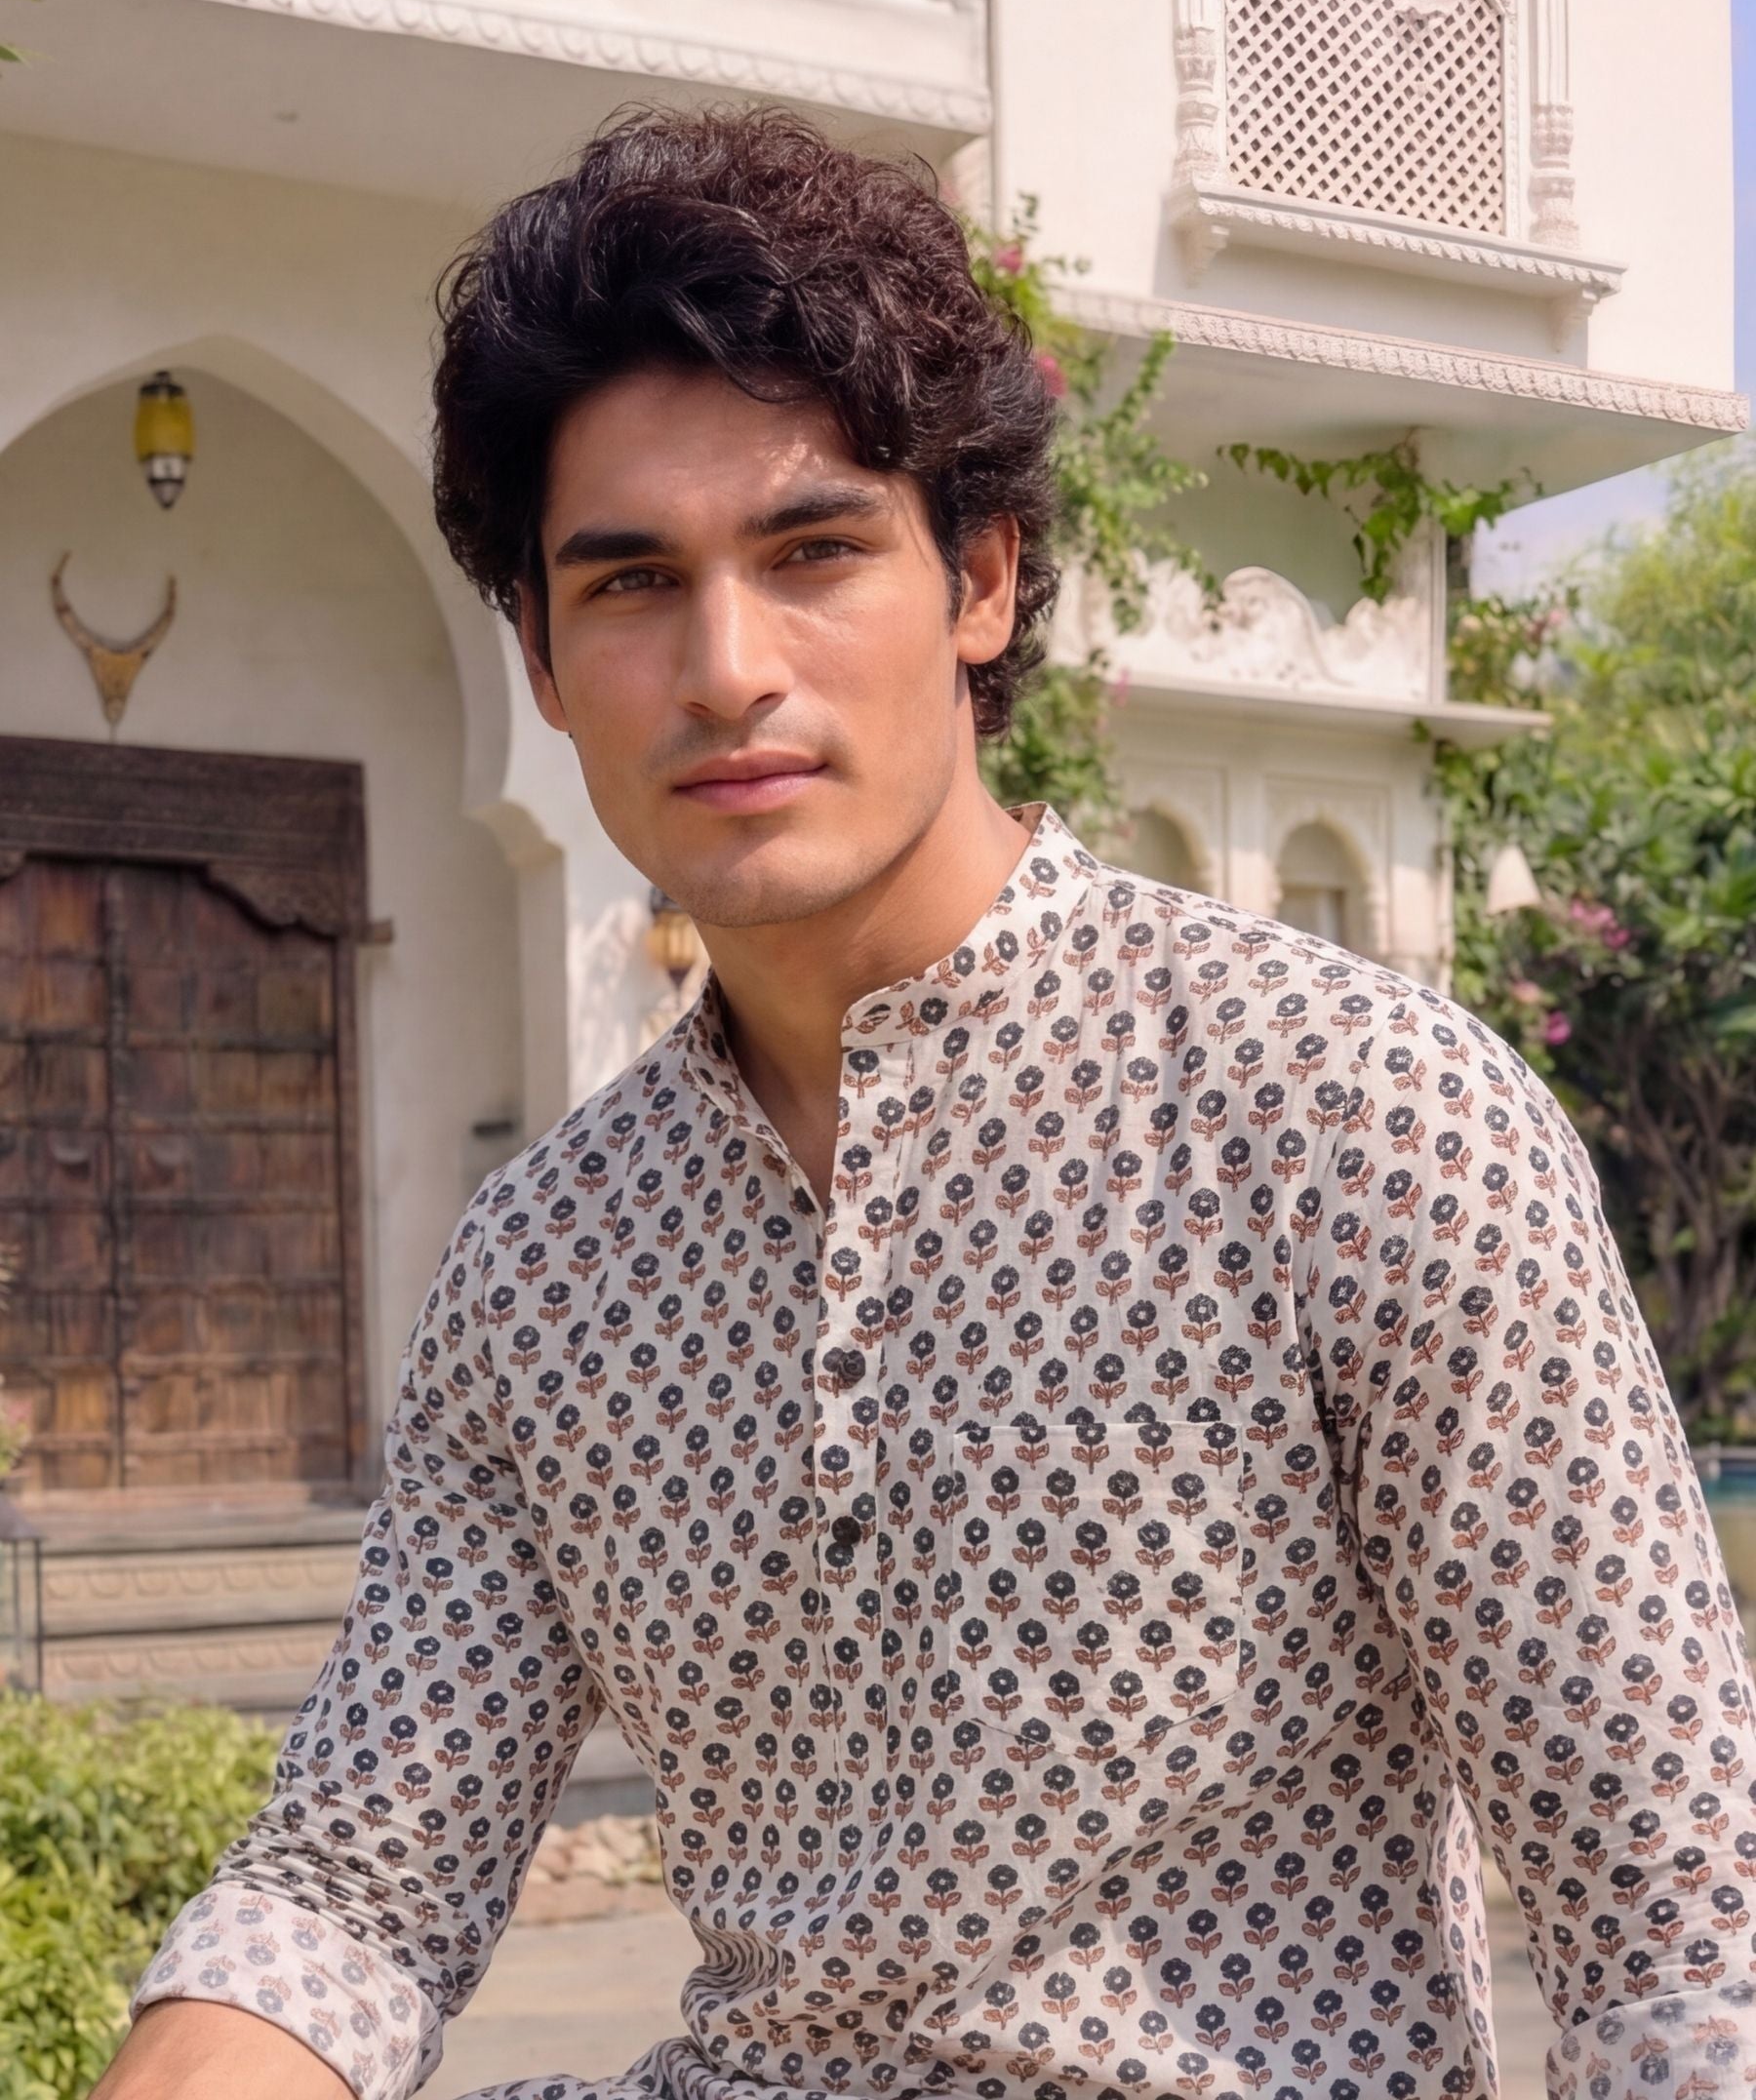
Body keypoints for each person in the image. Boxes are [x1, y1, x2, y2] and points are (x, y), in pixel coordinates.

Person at [99, 106, 1756, 2100]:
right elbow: (350, 1896)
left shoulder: (1358, 1121)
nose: (726, 669)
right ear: (538, 659)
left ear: (978, 578)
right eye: (630, 584)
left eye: (812, 553)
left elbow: (1682, 1943)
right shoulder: (545, 1272)